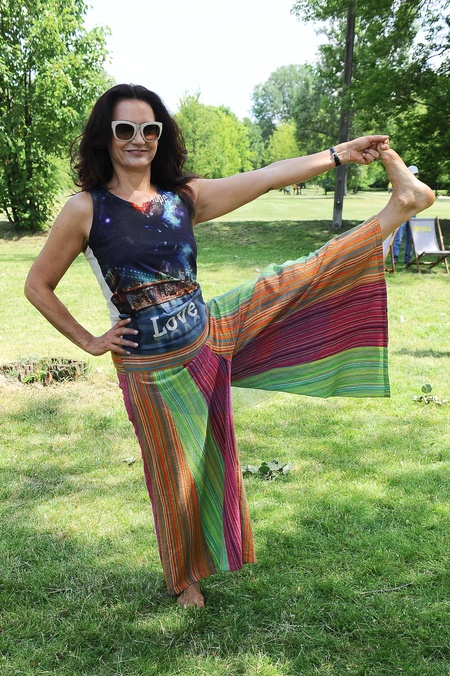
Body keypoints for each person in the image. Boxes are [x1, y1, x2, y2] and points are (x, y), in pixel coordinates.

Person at [24, 84, 434, 609]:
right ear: (106, 137)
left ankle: (401, 205)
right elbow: (38, 285)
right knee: (174, 472)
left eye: (149, 129)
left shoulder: (183, 197)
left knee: (295, 278)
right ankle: (184, 578)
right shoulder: (86, 209)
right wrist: (90, 340)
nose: (138, 139)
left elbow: (266, 177)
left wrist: (338, 154)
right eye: (125, 129)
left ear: (160, 136)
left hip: (210, 334)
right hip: (150, 369)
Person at [392, 165, 419, 263]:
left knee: (411, 238)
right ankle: (394, 260)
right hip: (402, 214)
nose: (414, 176)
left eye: (415, 174)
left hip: (412, 214)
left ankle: (408, 260)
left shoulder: (418, 186)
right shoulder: (401, 184)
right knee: (398, 239)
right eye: (413, 174)